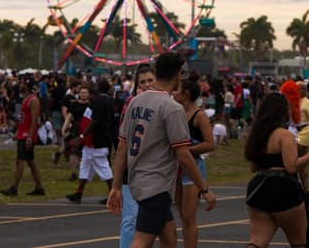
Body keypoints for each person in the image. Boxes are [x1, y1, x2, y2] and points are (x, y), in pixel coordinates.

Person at [107, 52, 217, 248]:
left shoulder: (134, 102)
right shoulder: (172, 108)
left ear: (156, 72)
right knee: (141, 242)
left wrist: (116, 186)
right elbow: (183, 154)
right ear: (177, 75)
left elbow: (122, 147)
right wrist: (204, 188)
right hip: (156, 184)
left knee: (169, 238)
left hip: (138, 181)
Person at [244, 92, 309, 248]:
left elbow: (253, 167)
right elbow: (292, 166)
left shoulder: (257, 135)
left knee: (257, 241)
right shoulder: (285, 135)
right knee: (298, 242)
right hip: (283, 188)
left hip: (258, 188)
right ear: (283, 112)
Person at [117, 64, 156, 248]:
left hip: (154, 169)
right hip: (132, 167)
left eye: (150, 80)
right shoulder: (130, 104)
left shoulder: (163, 103)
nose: (147, 85)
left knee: (155, 221)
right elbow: (123, 141)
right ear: (136, 87)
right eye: (142, 83)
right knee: (131, 218)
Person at [174, 79, 214, 248]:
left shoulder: (200, 116)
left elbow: (210, 144)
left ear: (186, 95)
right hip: (176, 168)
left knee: (189, 216)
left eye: (178, 90)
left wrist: (186, 151)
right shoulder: (175, 113)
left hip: (193, 168)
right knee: (182, 216)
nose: (174, 92)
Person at [66, 80, 114, 203]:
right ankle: (78, 193)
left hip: (97, 139)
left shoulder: (99, 100)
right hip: (95, 139)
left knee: (103, 167)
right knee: (85, 165)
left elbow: (94, 120)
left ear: (98, 87)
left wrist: (81, 136)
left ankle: (113, 195)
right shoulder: (108, 99)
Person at [0, 78, 45, 196]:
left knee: (20, 161)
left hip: (27, 136)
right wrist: (17, 132)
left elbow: (34, 120)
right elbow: (23, 118)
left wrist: (29, 137)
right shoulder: (26, 99)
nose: (20, 85)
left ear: (26, 85)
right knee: (30, 162)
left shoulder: (33, 100)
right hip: (22, 133)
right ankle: (39, 188)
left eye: (22, 82)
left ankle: (13, 188)